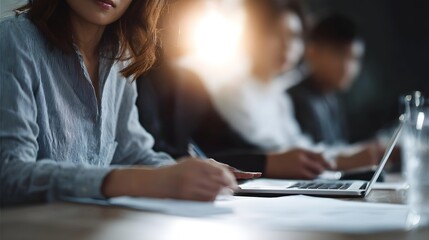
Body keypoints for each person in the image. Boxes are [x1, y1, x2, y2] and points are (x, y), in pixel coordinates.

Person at [0, 0, 262, 206]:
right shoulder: (14, 42)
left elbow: (132, 151)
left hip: (89, 225)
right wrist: (136, 180)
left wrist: (187, 173)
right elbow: (9, 174)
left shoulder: (120, 55)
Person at [136, 0, 331, 180]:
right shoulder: (137, 74)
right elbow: (151, 153)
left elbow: (224, 142)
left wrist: (269, 160)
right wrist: (267, 161)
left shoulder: (189, 80)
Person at [198, 0, 384, 171]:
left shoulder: (278, 96)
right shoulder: (233, 91)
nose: (287, 45)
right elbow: (268, 151)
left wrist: (346, 156)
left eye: (294, 36)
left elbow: (298, 145)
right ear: (252, 37)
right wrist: (340, 160)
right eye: (275, 35)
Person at [288, 14, 364, 145]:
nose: (348, 67)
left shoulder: (331, 96)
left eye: (354, 58)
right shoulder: (297, 100)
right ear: (313, 52)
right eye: (339, 54)